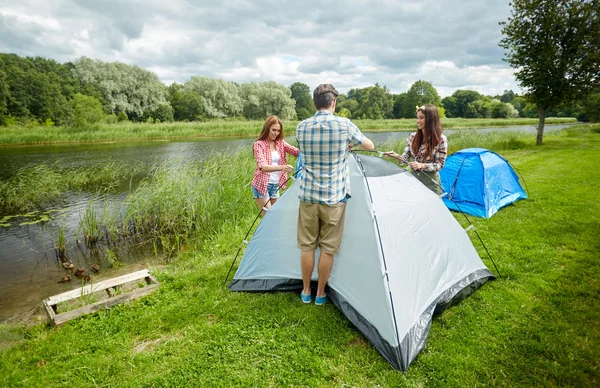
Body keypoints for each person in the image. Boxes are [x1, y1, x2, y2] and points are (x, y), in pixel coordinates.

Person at [296, 84, 374, 305]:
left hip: (308, 196)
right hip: (334, 198)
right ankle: (320, 294)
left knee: (307, 246)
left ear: (314, 103)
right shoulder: (344, 125)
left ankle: (305, 291)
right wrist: (346, 144)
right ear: (334, 103)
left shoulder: (301, 127)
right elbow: (369, 145)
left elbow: (304, 151)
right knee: (328, 248)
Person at [384, 104, 448, 194]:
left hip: (431, 185)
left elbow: (439, 165)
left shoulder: (441, 139)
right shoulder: (412, 136)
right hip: (413, 182)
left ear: (431, 119)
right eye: (417, 118)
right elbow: (405, 159)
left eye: (421, 118)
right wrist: (396, 156)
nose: (418, 121)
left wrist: (422, 165)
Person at [251, 115, 300, 216]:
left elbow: (297, 152)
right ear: (267, 128)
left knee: (275, 216)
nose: (276, 133)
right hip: (262, 185)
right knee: (268, 217)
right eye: (273, 130)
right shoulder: (259, 144)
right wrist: (282, 167)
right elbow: (262, 167)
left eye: (278, 131)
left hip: (275, 185)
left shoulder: (280, 143)